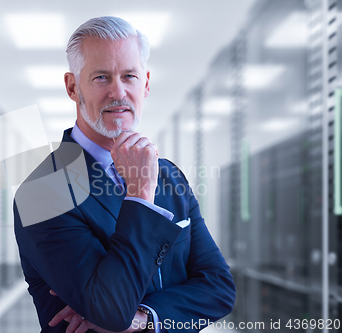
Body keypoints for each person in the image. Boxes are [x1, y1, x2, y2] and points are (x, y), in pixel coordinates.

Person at [13, 16, 235, 333]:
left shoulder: (170, 175)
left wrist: (145, 318)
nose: (118, 92)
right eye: (101, 77)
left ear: (145, 83)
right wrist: (141, 193)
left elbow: (219, 289)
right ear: (72, 87)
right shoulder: (42, 191)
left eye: (129, 76)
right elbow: (111, 310)